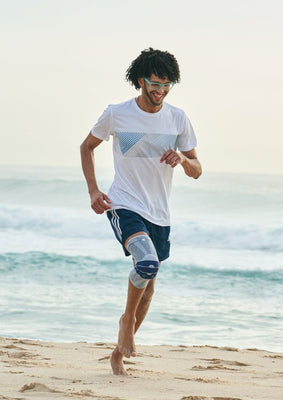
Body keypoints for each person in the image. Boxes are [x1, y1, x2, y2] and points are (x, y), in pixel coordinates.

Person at [80, 48, 202, 375]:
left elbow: (197, 169)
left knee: (148, 288)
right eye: (155, 83)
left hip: (159, 213)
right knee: (146, 264)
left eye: (167, 84)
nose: (160, 90)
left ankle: (119, 351)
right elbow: (87, 147)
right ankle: (126, 322)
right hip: (125, 203)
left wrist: (184, 160)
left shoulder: (178, 118)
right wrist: (94, 190)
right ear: (141, 81)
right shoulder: (117, 114)